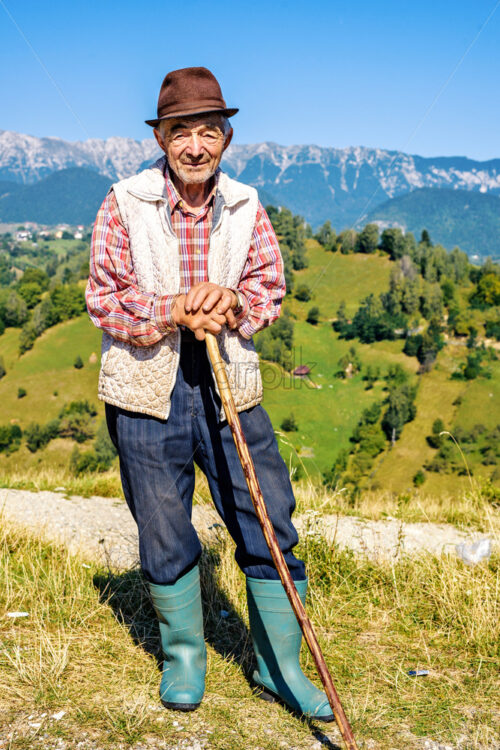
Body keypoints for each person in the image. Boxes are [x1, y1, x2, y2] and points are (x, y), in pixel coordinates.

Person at [86, 66, 332, 722]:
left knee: (268, 517)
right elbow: (105, 298)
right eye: (180, 131)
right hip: (146, 390)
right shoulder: (123, 201)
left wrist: (230, 301)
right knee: (164, 527)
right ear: (161, 137)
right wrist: (172, 311)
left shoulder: (248, 205)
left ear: (226, 136)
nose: (195, 145)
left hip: (232, 386)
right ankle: (185, 658)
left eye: (208, 130)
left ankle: (281, 669)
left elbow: (269, 287)